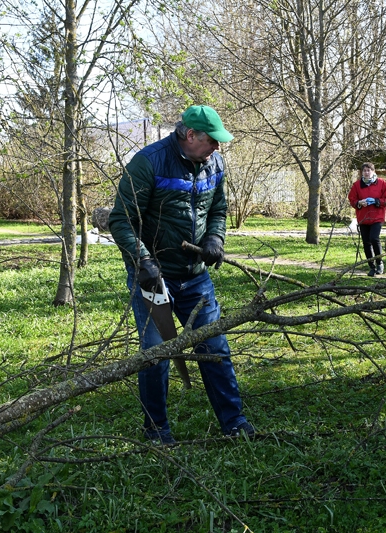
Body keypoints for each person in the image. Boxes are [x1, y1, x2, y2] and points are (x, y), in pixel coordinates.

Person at [108, 105, 255, 445]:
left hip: (195, 276)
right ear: (190, 136)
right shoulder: (149, 162)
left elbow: (218, 209)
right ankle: (156, 431)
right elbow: (121, 220)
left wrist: (216, 238)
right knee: (156, 353)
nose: (217, 148)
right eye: (212, 141)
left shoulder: (214, 164)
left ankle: (234, 422)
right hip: (153, 276)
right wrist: (142, 261)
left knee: (215, 348)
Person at [348, 162, 386, 277]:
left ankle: (379, 263)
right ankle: (371, 266)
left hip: (377, 216)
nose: (366, 173)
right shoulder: (357, 185)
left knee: (374, 238)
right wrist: (359, 203)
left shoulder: (382, 184)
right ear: (362, 173)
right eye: (364, 171)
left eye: (369, 170)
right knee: (366, 242)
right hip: (363, 217)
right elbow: (352, 199)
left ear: (373, 171)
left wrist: (376, 201)